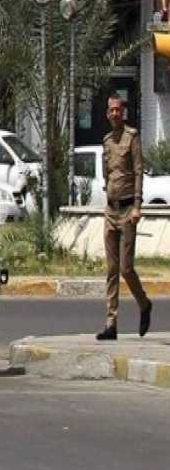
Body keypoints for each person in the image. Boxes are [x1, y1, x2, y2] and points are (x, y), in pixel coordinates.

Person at [97, 93, 152, 341]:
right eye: (111, 110)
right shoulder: (107, 141)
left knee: (126, 268)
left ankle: (144, 304)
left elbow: (139, 172)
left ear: (123, 112)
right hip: (111, 210)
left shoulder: (132, 137)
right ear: (107, 114)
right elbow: (106, 175)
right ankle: (111, 323)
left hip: (129, 211)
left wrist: (138, 205)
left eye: (118, 110)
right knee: (111, 268)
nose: (115, 114)